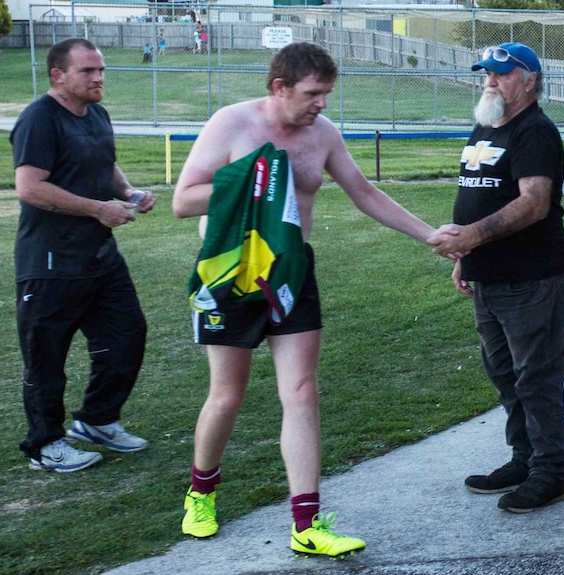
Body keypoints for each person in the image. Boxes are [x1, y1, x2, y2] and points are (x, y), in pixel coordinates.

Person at [172, 42, 435, 557]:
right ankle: (200, 492)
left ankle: (307, 524)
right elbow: (184, 201)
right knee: (228, 396)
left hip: (291, 270)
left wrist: (429, 236)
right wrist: (253, 178)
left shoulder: (324, 135)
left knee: (302, 390)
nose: (322, 105)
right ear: (279, 87)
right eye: (314, 94)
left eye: (327, 95)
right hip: (230, 272)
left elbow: (365, 193)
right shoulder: (232, 124)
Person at [427, 42, 564, 514]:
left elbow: (534, 202)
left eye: (501, 74)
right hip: (488, 276)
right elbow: (478, 193)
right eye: (486, 72)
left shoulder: (535, 132)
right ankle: (523, 458)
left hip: (529, 279)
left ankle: (550, 473)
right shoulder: (488, 124)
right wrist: (465, 255)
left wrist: (469, 235)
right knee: (505, 374)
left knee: (536, 378)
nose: (490, 80)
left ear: (529, 80)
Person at [9, 38, 156, 473]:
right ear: (58, 75)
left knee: (127, 335)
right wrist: (98, 209)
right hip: (51, 264)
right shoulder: (39, 120)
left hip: (100, 259)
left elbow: (102, 162)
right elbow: (30, 187)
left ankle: (97, 420)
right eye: (88, 71)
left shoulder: (96, 114)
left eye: (101, 70)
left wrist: (128, 192)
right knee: (45, 357)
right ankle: (45, 445)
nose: (99, 78)